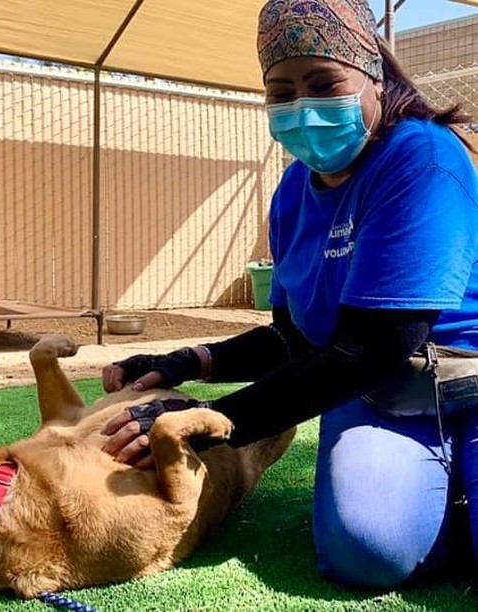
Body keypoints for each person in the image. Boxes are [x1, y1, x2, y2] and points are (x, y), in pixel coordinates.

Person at [101, 0, 478, 590]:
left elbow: (372, 346)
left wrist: (212, 419)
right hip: (379, 398)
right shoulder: (292, 194)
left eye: (323, 82)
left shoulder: (421, 157)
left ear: (374, 78)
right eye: (280, 91)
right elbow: (295, 337)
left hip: (464, 383)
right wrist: (187, 362)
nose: (301, 106)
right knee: (366, 556)